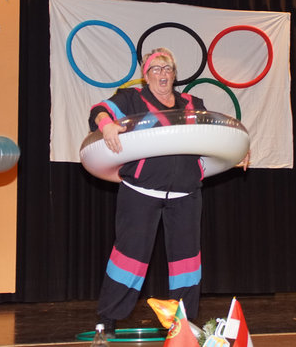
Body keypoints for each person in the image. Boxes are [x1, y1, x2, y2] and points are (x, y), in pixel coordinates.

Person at [88, 48, 248, 337]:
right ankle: (109, 318)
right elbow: (99, 111)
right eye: (156, 69)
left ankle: (183, 323)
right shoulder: (131, 99)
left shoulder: (192, 104)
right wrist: (106, 124)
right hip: (140, 191)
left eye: (168, 69)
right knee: (129, 257)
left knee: (187, 262)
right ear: (146, 75)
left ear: (174, 74)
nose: (162, 74)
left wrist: (235, 151)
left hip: (186, 194)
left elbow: (215, 134)